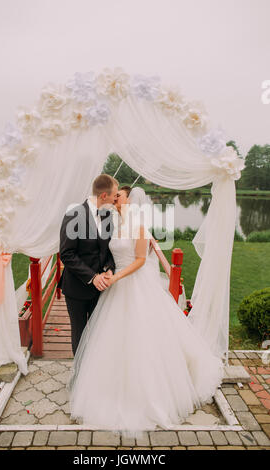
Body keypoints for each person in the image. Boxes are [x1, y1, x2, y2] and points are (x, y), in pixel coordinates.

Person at [67, 187, 224, 438]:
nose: (115, 197)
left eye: (119, 195)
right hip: (115, 287)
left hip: (134, 285)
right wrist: (108, 270)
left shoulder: (138, 224)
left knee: (141, 337)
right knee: (112, 339)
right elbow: (108, 253)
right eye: (115, 194)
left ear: (131, 200)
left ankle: (147, 394)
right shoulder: (114, 222)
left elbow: (140, 259)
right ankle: (108, 388)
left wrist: (116, 275)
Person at [58, 174, 118, 355]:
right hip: (77, 288)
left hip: (101, 289)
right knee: (80, 334)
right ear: (103, 196)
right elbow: (66, 254)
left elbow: (108, 250)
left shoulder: (107, 216)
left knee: (99, 334)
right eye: (114, 195)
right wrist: (92, 277)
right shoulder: (73, 215)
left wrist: (108, 269)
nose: (116, 200)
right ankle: (78, 376)